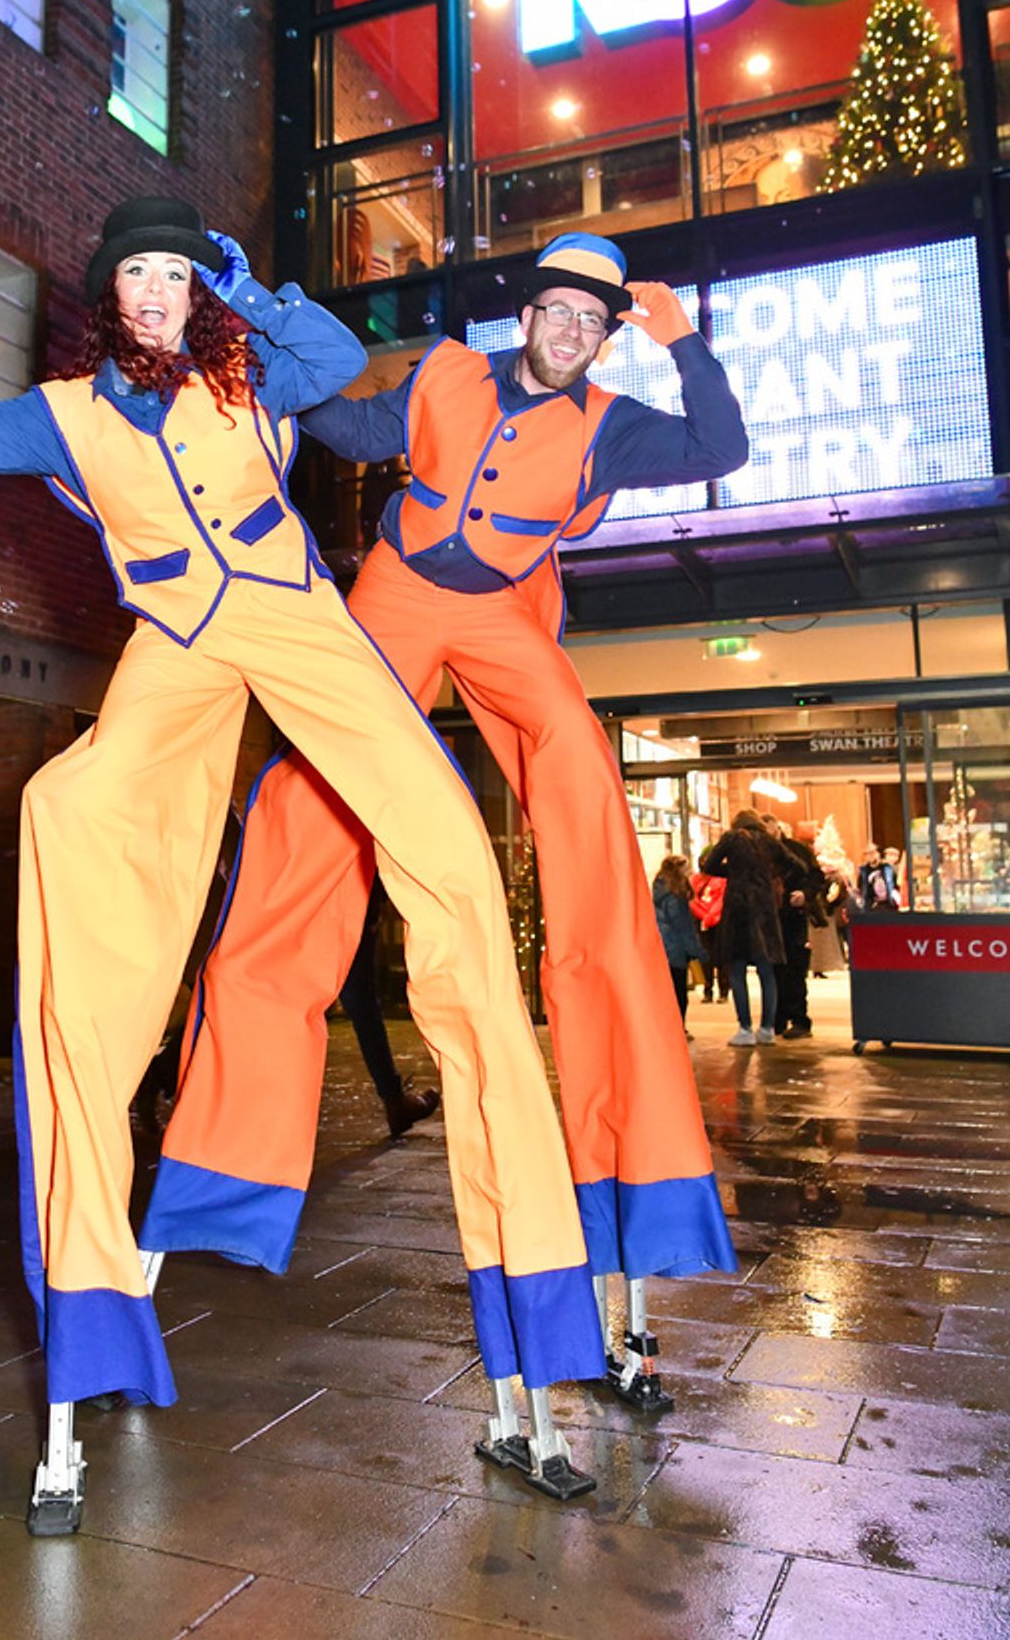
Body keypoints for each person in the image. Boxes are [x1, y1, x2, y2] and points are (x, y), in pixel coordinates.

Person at [0, 195, 604, 1414]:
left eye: (170, 274)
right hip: (177, 645)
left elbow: (336, 365)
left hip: (296, 620)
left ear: (193, 294)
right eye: (133, 271)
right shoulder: (65, 415)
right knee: (68, 809)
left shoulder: (244, 382)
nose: (152, 289)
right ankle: (91, 1254)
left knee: (447, 843)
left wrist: (249, 293)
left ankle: (532, 1271)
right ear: (109, 295)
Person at [141, 231, 746, 1299]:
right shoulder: (447, 374)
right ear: (525, 318)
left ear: (605, 339)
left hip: (498, 620)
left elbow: (720, 446)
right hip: (394, 596)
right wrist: (250, 340)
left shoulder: (610, 427)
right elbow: (341, 418)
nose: (569, 332)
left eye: (591, 322)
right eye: (557, 311)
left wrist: (682, 337)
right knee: (310, 807)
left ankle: (631, 1171)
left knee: (583, 779)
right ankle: (220, 1170)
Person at [336, 880, 441, 1138]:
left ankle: (394, 1099)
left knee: (353, 996)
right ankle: (394, 1101)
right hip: (347, 892)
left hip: (307, 888)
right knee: (359, 996)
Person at [701, 809, 790, 1045]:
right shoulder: (769, 841)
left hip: (738, 911)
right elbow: (795, 865)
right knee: (766, 972)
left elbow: (708, 865)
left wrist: (734, 871)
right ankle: (767, 1029)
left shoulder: (732, 838)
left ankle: (745, 1029)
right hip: (765, 911)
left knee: (737, 971)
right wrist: (767, 873)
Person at [765, 816, 825, 1040]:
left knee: (795, 968)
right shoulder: (761, 851)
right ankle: (777, 1018)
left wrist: (805, 895)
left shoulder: (797, 851)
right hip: (771, 917)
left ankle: (799, 1019)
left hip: (792, 914)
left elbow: (816, 876)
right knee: (774, 969)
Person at [651, 855, 704, 1037]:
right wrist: (696, 951)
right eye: (687, 868)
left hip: (659, 946)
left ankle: (664, 1027)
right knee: (679, 990)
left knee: (664, 991)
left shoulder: (658, 889)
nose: (690, 872)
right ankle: (677, 1028)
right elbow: (682, 925)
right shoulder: (676, 894)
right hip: (675, 948)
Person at [689, 865, 729, 1002]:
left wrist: (711, 916)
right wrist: (704, 915)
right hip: (701, 920)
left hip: (718, 922)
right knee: (705, 958)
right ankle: (708, 989)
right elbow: (691, 899)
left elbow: (722, 899)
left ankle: (723, 990)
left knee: (722, 957)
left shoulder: (722, 880)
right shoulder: (694, 880)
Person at [857, 845, 900, 910]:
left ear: (878, 854)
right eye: (868, 854)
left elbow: (896, 885)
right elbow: (861, 887)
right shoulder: (864, 871)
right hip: (872, 906)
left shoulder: (887, 868)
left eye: (873, 853)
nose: (871, 856)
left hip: (888, 904)